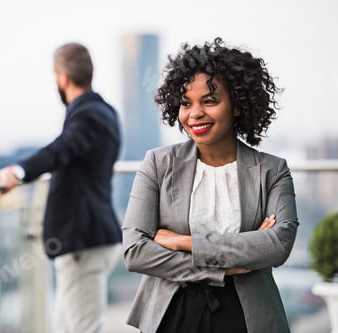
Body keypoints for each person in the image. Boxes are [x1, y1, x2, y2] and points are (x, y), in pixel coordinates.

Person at [122, 37, 299, 333]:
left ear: (238, 105)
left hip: (246, 314)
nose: (195, 114)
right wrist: (228, 266)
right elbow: (135, 251)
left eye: (210, 100)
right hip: (172, 312)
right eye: (185, 103)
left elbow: (278, 245)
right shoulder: (157, 163)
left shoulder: (271, 170)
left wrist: (184, 242)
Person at [0, 42, 122, 333]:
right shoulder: (104, 111)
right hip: (90, 237)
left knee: (84, 328)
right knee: (65, 327)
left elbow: (60, 150)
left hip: (83, 241)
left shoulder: (87, 115)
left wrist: (18, 171)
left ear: (62, 77)